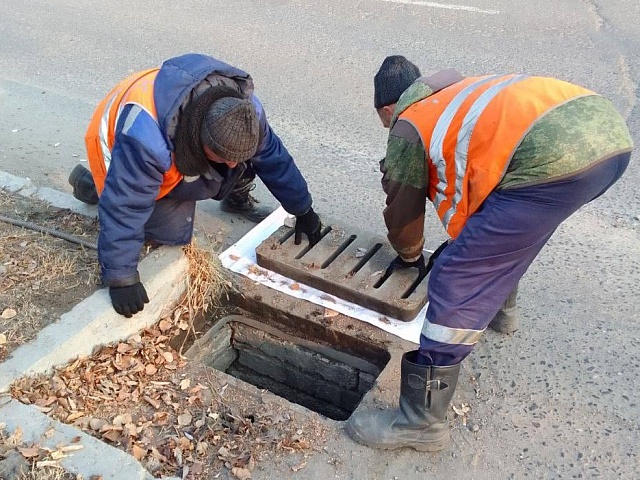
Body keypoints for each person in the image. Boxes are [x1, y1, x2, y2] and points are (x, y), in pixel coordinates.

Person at [347, 55, 633, 451]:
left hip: (555, 157)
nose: (386, 127)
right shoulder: (452, 97)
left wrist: (410, 256)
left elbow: (403, 207)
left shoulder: (409, 125)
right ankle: (502, 312)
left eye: (383, 119)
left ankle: (419, 423)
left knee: (454, 276)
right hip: (605, 138)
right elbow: (481, 188)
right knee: (500, 236)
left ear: (386, 108)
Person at [68, 53, 322, 318]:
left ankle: (233, 196)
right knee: (159, 228)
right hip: (117, 141)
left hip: (173, 126)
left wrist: (302, 209)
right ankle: (92, 186)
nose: (233, 165)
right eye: (223, 157)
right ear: (202, 141)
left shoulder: (245, 113)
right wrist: (121, 278)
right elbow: (127, 204)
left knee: (247, 162)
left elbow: (275, 161)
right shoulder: (147, 142)